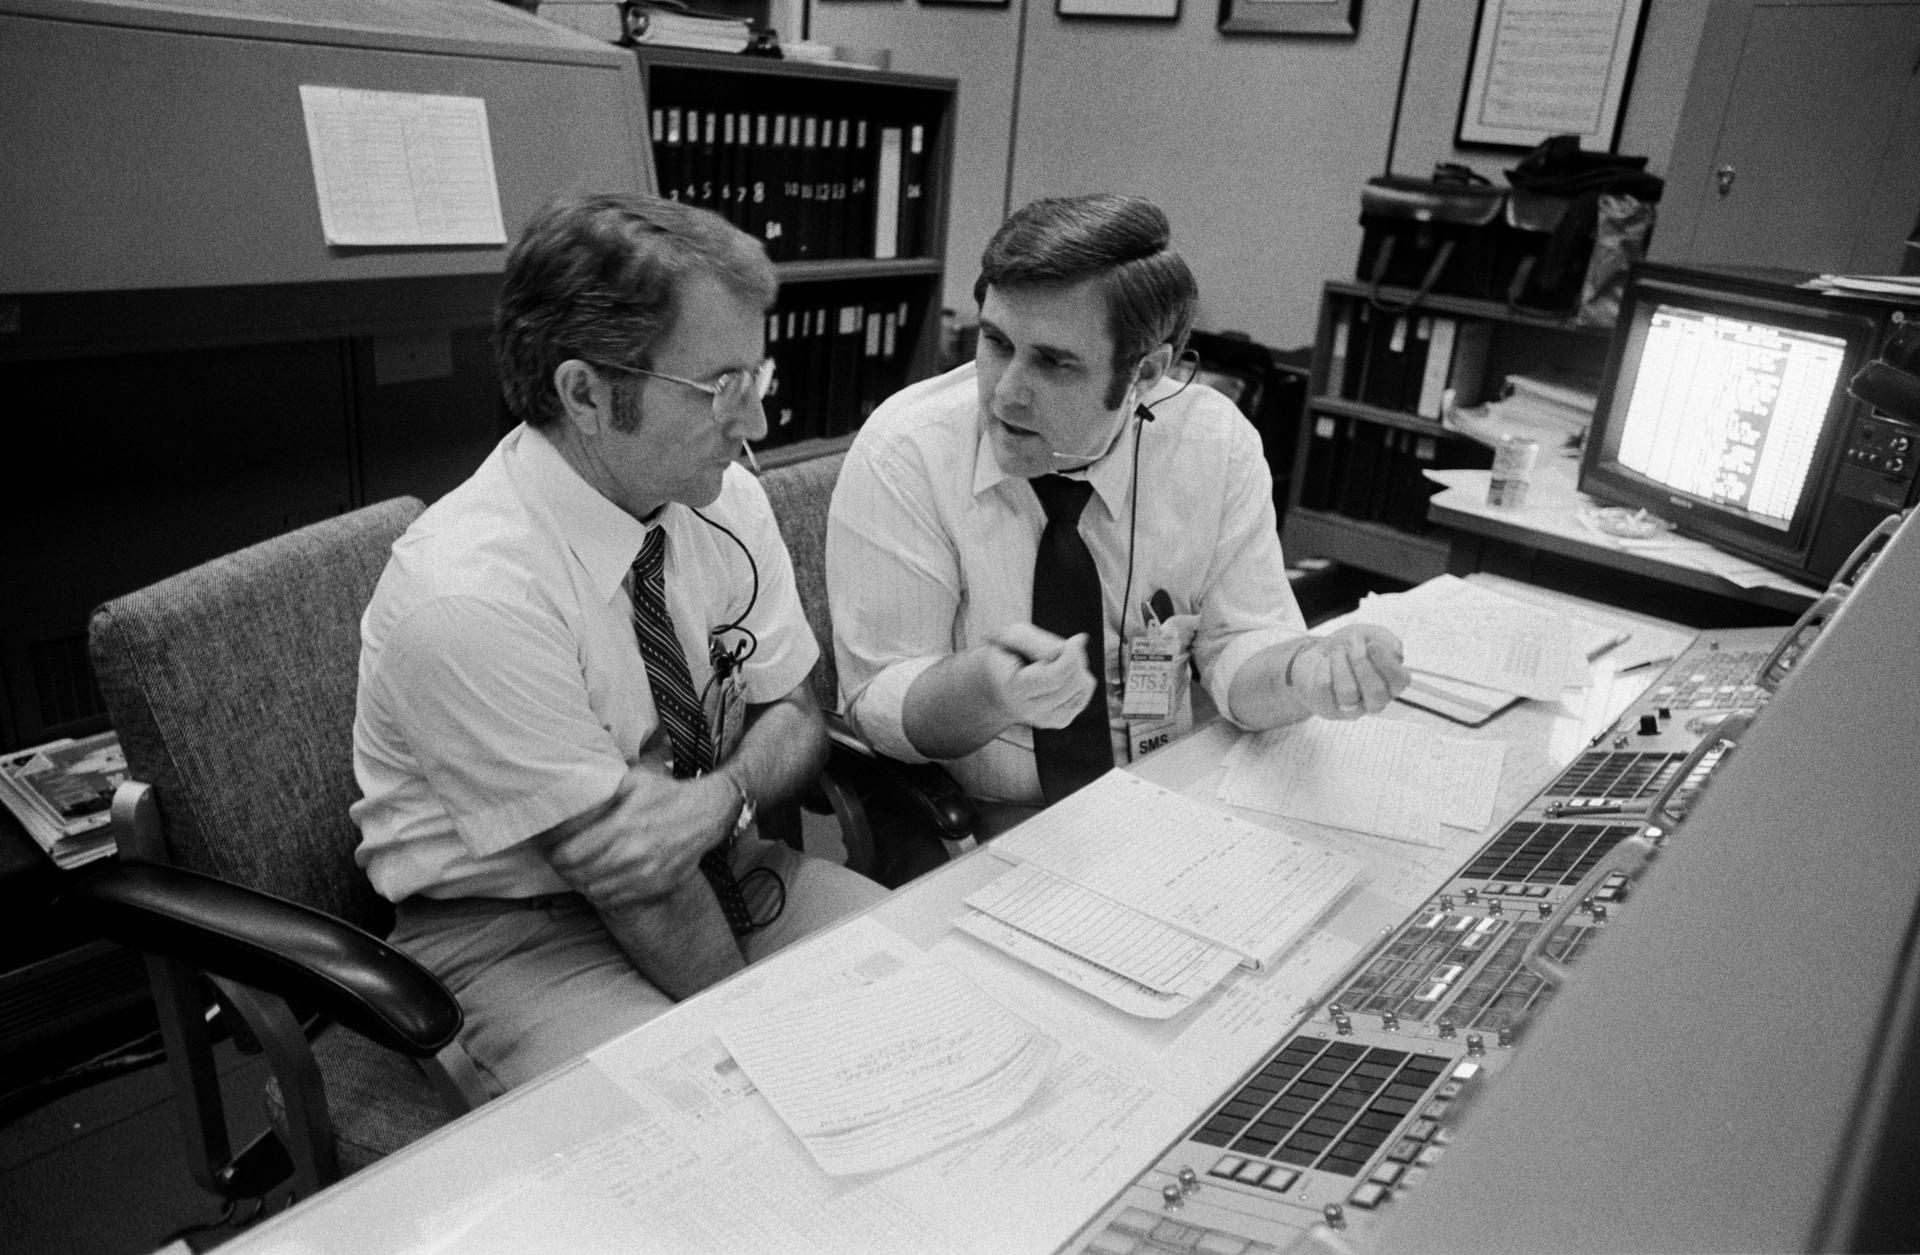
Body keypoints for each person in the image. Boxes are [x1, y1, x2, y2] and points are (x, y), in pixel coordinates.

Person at [351, 193, 887, 1096]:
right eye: (721, 387)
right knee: (724, 1113)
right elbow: (633, 878)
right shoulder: (468, 594)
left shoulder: (718, 493)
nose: (753, 424)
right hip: (516, 930)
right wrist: (768, 1040)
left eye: (757, 379)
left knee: (924, 990)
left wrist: (722, 798)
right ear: (586, 394)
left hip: (715, 857)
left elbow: (796, 704)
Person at [827, 193, 1410, 830]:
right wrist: (988, 691)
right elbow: (876, 702)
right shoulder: (907, 450)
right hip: (989, 817)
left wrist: (1306, 672)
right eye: (995, 342)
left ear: (1147, 371)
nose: (1007, 391)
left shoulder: (1213, 444)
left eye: (1053, 362)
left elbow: (1240, 644)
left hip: (1171, 794)